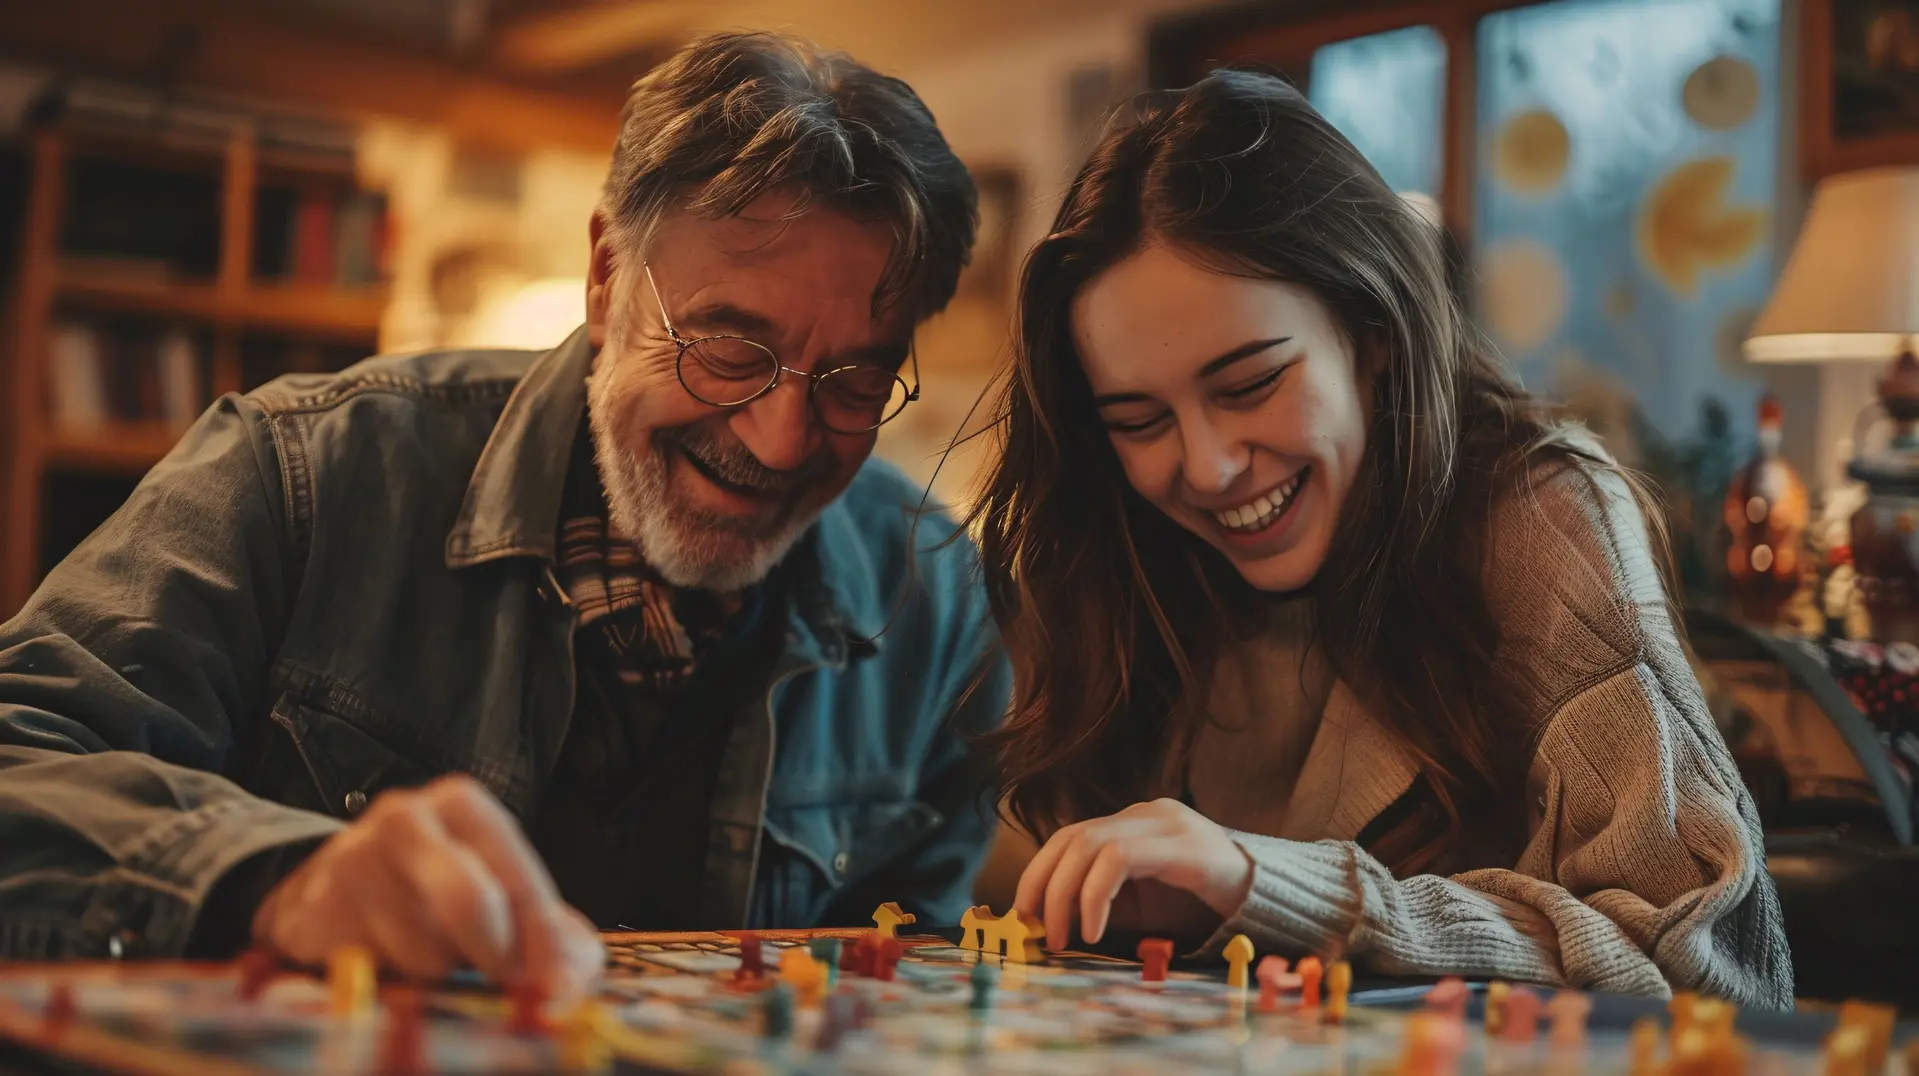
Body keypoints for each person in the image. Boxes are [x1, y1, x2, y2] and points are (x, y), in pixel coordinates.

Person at [0, 32, 1009, 1002]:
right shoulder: (296, 472)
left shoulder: (935, 596)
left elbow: (906, 976)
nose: (784, 439)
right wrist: (277, 879)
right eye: (728, 349)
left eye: (850, 381)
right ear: (608, 279)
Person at [972, 70, 1793, 1006]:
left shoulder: (1541, 519)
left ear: (1373, 334)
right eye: (1137, 419)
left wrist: (1272, 888)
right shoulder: (1118, 550)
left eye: (1248, 385)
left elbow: (1707, 966)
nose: (1204, 468)